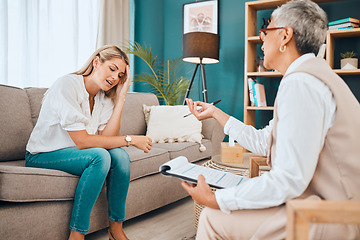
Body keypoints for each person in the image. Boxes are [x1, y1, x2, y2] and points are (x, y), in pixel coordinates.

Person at [182, 0, 360, 239]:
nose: (262, 40)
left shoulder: (301, 83)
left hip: (337, 215)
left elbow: (288, 179)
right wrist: (215, 113)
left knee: (213, 218)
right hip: (334, 205)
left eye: (266, 31)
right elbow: (265, 141)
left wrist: (217, 199)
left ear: (285, 36)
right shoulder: (312, 75)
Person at [25, 45, 153, 240]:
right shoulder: (67, 85)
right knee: (99, 157)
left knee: (120, 156)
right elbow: (84, 142)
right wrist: (131, 139)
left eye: (120, 76)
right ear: (96, 62)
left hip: (74, 153)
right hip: (43, 155)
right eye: (112, 69)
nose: (115, 78)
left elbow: (109, 139)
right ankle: (76, 235)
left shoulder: (102, 97)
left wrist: (121, 99)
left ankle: (116, 230)